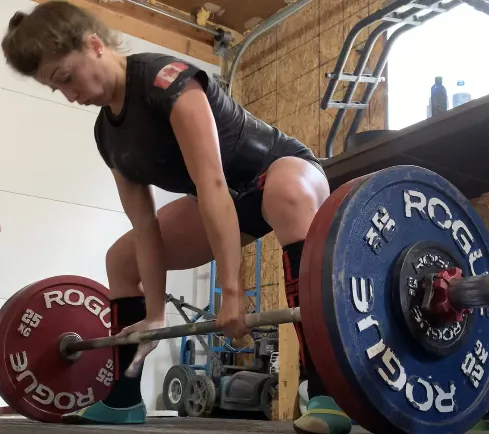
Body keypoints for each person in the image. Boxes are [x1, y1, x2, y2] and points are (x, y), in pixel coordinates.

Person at [2, 2, 351, 433]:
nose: (71, 95)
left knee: (286, 193)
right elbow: (145, 227)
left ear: (94, 45)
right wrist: (154, 315)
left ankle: (328, 393)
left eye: (66, 77)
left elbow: (212, 185)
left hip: (280, 172)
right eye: (57, 89)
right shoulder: (107, 135)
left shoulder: (168, 82)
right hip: (230, 201)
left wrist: (232, 292)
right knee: (121, 259)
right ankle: (124, 397)